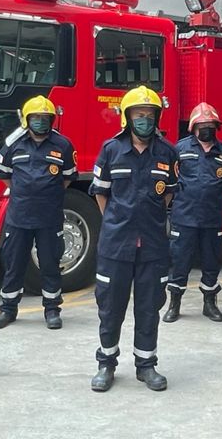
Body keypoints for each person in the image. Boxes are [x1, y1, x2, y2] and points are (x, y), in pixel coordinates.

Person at [89, 85, 179, 393]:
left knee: (149, 306)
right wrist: (118, 222)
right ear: (127, 118)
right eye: (139, 114)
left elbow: (168, 193)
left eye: (150, 114)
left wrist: (147, 223)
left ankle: (146, 365)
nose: (145, 119)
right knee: (110, 307)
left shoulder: (168, 152)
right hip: (116, 245)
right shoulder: (111, 150)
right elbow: (101, 194)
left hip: (152, 246)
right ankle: (106, 364)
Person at [0, 95, 77, 330]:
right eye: (36, 117)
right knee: (14, 263)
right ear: (27, 119)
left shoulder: (63, 145)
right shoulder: (13, 144)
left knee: (50, 263)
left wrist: (46, 194)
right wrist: (24, 192)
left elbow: (67, 177)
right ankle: (8, 309)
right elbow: (4, 175)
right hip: (19, 216)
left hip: (49, 217)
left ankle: (52, 309)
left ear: (52, 119)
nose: (40, 121)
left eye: (45, 118)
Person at [162, 102, 222, 324]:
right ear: (193, 127)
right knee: (179, 260)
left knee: (211, 261)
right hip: (184, 217)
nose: (206, 129)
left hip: (212, 219)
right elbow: (171, 181)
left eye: (210, 125)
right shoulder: (180, 150)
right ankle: (174, 304)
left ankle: (210, 304)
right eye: (202, 125)